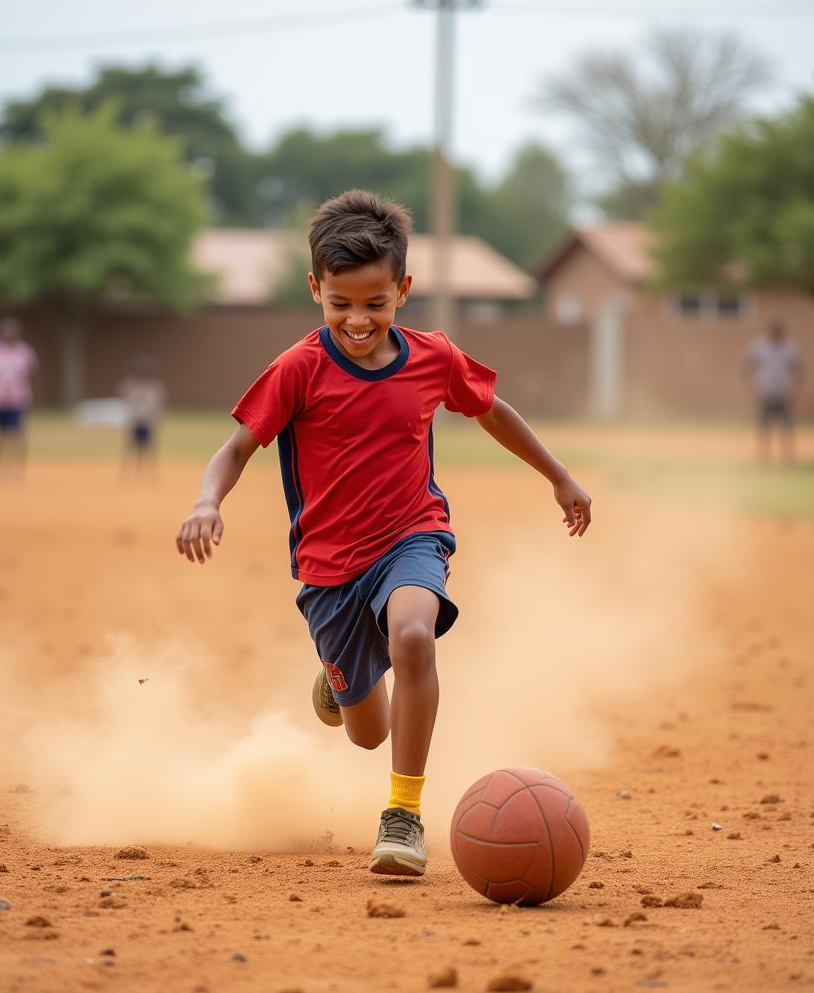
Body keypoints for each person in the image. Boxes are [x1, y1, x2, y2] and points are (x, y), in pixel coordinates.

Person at [175, 191, 592, 877]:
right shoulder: (298, 369)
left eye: (376, 302)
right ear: (316, 289)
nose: (358, 319)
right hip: (330, 572)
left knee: (414, 637)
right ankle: (341, 685)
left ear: (404, 289)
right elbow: (235, 449)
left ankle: (402, 817)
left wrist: (559, 474)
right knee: (369, 732)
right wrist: (206, 501)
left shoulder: (433, 358)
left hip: (412, 537)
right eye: (340, 303)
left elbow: (492, 412)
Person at [0, 317, 39, 480]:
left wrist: (32, 396)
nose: (9, 335)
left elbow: (33, 375)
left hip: (18, 398)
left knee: (18, 433)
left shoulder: (25, 351)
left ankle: (18, 468)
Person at [742, 320, 803, 464]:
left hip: (784, 394)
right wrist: (751, 390)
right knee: (763, 428)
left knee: (787, 428)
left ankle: (788, 458)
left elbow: (799, 371)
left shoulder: (791, 348)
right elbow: (745, 367)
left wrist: (795, 392)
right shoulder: (758, 347)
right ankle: (763, 458)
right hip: (765, 394)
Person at [118, 355, 167, 480]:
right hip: (134, 421)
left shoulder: (155, 386)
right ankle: (128, 474)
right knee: (130, 447)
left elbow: (158, 405)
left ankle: (151, 474)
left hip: (148, 422)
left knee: (150, 448)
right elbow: (125, 402)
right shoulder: (129, 385)